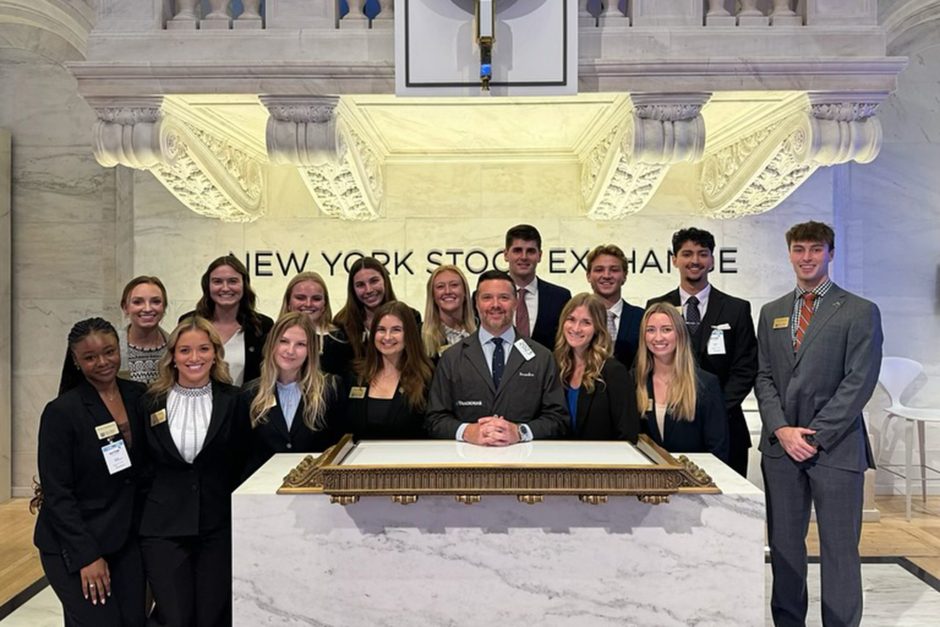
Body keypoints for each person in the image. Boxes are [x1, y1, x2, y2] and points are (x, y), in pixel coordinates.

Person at [755, 221, 882, 627]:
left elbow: (859, 381)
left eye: (815, 249)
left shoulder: (860, 311)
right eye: (799, 249)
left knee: (840, 549)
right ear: (789, 253)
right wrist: (780, 429)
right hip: (781, 449)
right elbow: (764, 377)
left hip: (836, 448)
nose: (806, 256)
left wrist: (815, 434)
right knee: (785, 547)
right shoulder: (771, 312)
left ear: (831, 253)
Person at [34, 318, 147, 627]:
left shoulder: (139, 396)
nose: (102, 362)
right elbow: (57, 493)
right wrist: (86, 556)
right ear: (75, 360)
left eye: (109, 352)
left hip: (124, 539)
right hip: (75, 544)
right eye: (90, 357)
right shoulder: (61, 412)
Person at [138, 316, 247, 627]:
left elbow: (240, 460)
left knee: (213, 615)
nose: (194, 358)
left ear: (215, 353)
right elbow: (143, 465)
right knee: (174, 615)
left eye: (203, 349)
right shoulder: (150, 402)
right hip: (162, 529)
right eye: (185, 350)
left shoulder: (234, 401)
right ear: (173, 356)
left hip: (217, 526)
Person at [646, 228, 758, 477]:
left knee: (726, 509)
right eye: (687, 254)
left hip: (727, 427)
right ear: (674, 260)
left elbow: (745, 368)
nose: (694, 261)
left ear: (712, 260)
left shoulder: (736, 309)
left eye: (702, 254)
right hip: (671, 431)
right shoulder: (656, 306)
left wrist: (712, 408)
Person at [426, 270, 568, 444]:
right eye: (487, 298)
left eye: (504, 297)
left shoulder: (542, 357)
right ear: (476, 303)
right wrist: (467, 431)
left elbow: (558, 419)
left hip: (524, 465)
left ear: (516, 302)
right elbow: (434, 419)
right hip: (468, 465)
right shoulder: (451, 358)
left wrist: (520, 432)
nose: (495, 305)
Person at [240, 312, 342, 478]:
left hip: (314, 489)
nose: (290, 351)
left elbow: (337, 447)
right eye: (284, 341)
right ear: (272, 344)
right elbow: (243, 453)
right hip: (262, 489)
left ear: (310, 350)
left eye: (300, 344)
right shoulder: (249, 393)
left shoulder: (330, 389)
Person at [630, 302, 729, 461]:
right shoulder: (632, 381)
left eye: (666, 329)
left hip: (694, 479)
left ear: (680, 334)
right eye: (650, 330)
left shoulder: (705, 384)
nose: (658, 337)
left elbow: (718, 448)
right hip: (646, 480)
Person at [343, 301, 433, 440]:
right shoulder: (355, 375)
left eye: (396, 330)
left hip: (407, 459)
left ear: (409, 334)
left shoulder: (426, 378)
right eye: (381, 330)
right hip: (359, 460)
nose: (387, 337)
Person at [554, 293, 637, 441]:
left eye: (586, 322)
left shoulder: (613, 372)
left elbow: (627, 433)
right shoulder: (554, 366)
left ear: (598, 328)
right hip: (559, 458)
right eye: (571, 319)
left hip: (602, 461)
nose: (576, 328)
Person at [188, 255, 273, 386]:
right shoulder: (189, 322)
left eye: (233, 281)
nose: (225, 288)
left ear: (244, 285)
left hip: (245, 405)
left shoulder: (263, 326)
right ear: (207, 286)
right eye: (217, 281)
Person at [333, 257, 421, 363]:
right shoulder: (342, 324)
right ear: (352, 289)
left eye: (374, 281)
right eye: (360, 285)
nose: (368, 290)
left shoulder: (411, 316)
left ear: (385, 280)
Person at [503, 224, 571, 349]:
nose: (524, 257)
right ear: (506, 254)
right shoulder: (486, 296)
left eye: (530, 251)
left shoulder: (560, 298)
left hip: (548, 368)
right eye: (517, 250)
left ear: (539, 255)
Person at [279, 271, 354, 377]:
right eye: (300, 298)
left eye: (316, 299)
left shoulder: (341, 340)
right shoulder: (272, 337)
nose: (308, 304)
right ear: (288, 302)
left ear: (325, 305)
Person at [585, 244, 645, 368]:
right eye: (599, 269)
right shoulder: (577, 318)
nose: (606, 275)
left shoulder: (642, 318)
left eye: (614, 270)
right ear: (588, 276)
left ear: (624, 276)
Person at [118, 276, 170, 384]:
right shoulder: (113, 347)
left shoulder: (175, 346)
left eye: (156, 302)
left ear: (164, 307)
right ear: (125, 307)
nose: (147, 309)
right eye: (137, 302)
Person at [422, 264, 476, 359]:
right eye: (440, 287)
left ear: (464, 292)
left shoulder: (480, 332)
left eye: (454, 285)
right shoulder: (419, 338)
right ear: (433, 296)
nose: (447, 291)